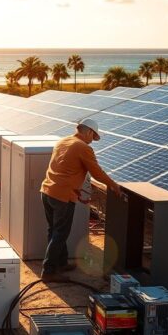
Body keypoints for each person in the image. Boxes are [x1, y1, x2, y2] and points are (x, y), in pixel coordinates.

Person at [39, 118, 121, 282]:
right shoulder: (83, 147)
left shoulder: (63, 141)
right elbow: (96, 172)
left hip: (47, 191)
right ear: (89, 131)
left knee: (54, 231)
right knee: (60, 233)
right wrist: (113, 185)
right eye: (93, 137)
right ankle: (48, 271)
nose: (92, 141)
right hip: (62, 196)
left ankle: (60, 263)